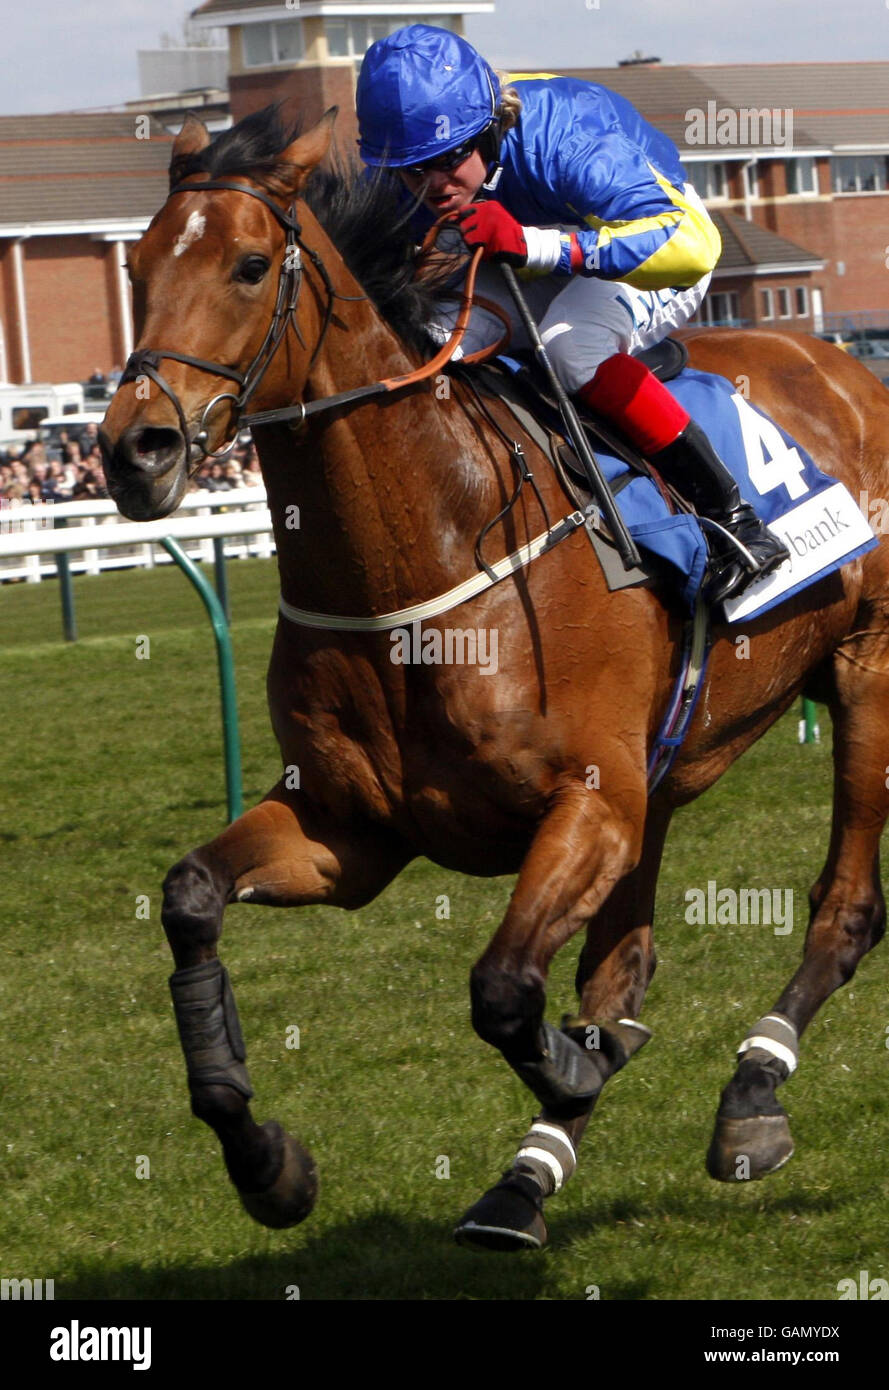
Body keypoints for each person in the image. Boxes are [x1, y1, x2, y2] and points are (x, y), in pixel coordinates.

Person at [356, 25, 788, 603]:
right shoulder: (395, 173)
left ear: (488, 128)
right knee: (424, 347)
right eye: (414, 169)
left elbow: (692, 245)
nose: (434, 185)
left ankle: (734, 520)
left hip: (648, 254)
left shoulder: (568, 132)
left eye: (450, 158)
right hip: (521, 260)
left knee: (569, 347)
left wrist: (539, 246)